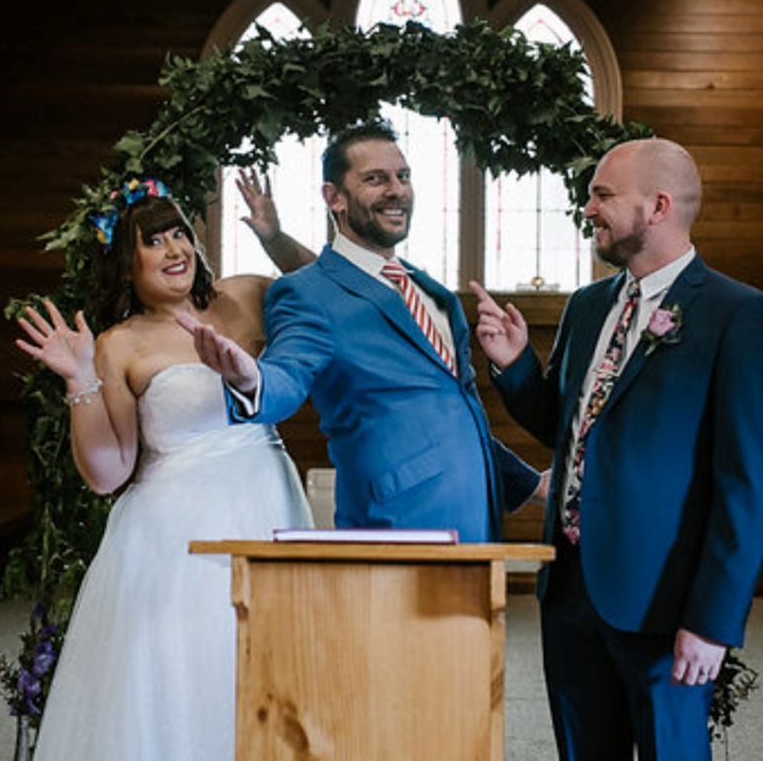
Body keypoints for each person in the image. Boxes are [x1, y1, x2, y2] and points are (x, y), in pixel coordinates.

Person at [470, 137, 763, 760]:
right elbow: (571, 428)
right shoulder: (589, 307)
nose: (587, 208)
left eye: (602, 195)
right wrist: (515, 365)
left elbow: (750, 486)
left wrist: (713, 621)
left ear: (658, 206)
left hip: (665, 600)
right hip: (569, 588)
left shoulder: (738, 316)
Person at [14, 171, 316, 759]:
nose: (174, 249)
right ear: (126, 266)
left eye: (178, 233)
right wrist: (78, 380)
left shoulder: (244, 295)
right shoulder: (120, 344)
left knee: (272, 659)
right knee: (184, 669)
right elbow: (109, 471)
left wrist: (274, 237)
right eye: (153, 242)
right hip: (174, 534)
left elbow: (327, 287)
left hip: (267, 504)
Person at [184, 120, 543, 543]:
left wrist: (531, 483)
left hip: (477, 525)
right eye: (375, 179)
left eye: (403, 176)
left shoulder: (434, 294)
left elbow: (451, 415)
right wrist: (252, 380)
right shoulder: (307, 292)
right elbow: (288, 373)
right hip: (393, 526)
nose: (397, 190)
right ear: (333, 197)